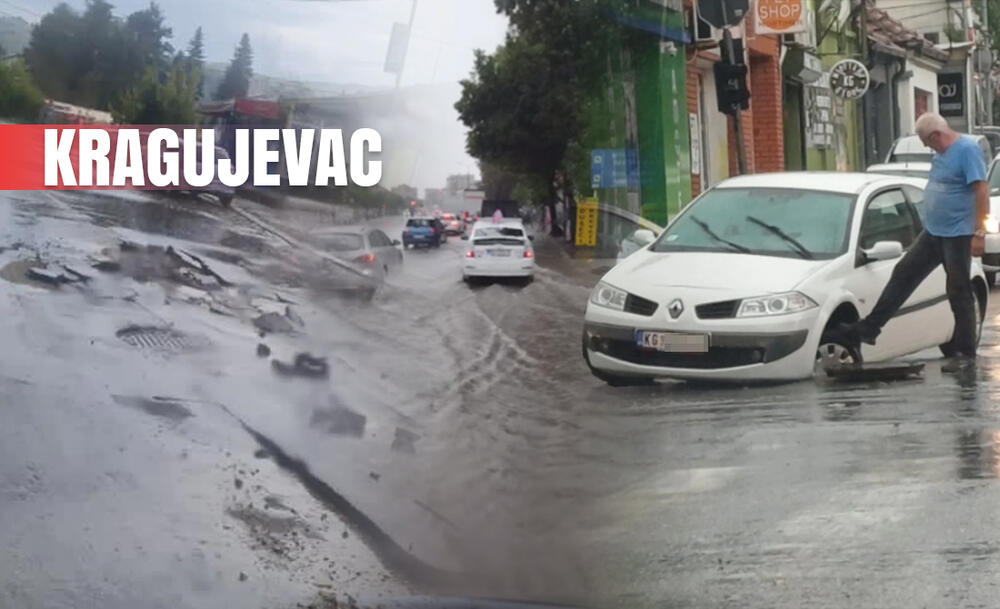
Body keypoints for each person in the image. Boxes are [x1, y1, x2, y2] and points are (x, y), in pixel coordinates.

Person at [840, 112, 988, 372]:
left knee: (958, 290)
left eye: (926, 141)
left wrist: (979, 233)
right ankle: (869, 329)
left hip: (958, 234)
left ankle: (965, 354)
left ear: (936, 135)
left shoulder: (966, 150)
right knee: (903, 274)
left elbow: (981, 190)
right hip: (933, 232)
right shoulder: (940, 153)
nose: (925, 146)